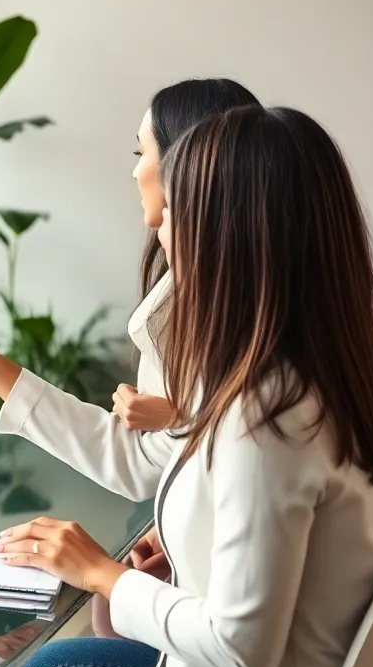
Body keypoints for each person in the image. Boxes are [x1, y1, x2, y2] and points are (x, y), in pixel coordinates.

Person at [0, 106, 373, 667]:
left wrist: (101, 572)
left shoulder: (265, 417)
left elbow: (239, 652)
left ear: (224, 236)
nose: (160, 227)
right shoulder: (332, 378)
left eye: (173, 209)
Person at [96, 78, 262, 637]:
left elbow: (241, 644)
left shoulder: (259, 379)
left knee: (52, 659)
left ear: (192, 175)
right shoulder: (251, 319)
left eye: (143, 153)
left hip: (218, 643)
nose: (137, 172)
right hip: (197, 584)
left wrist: (178, 418)